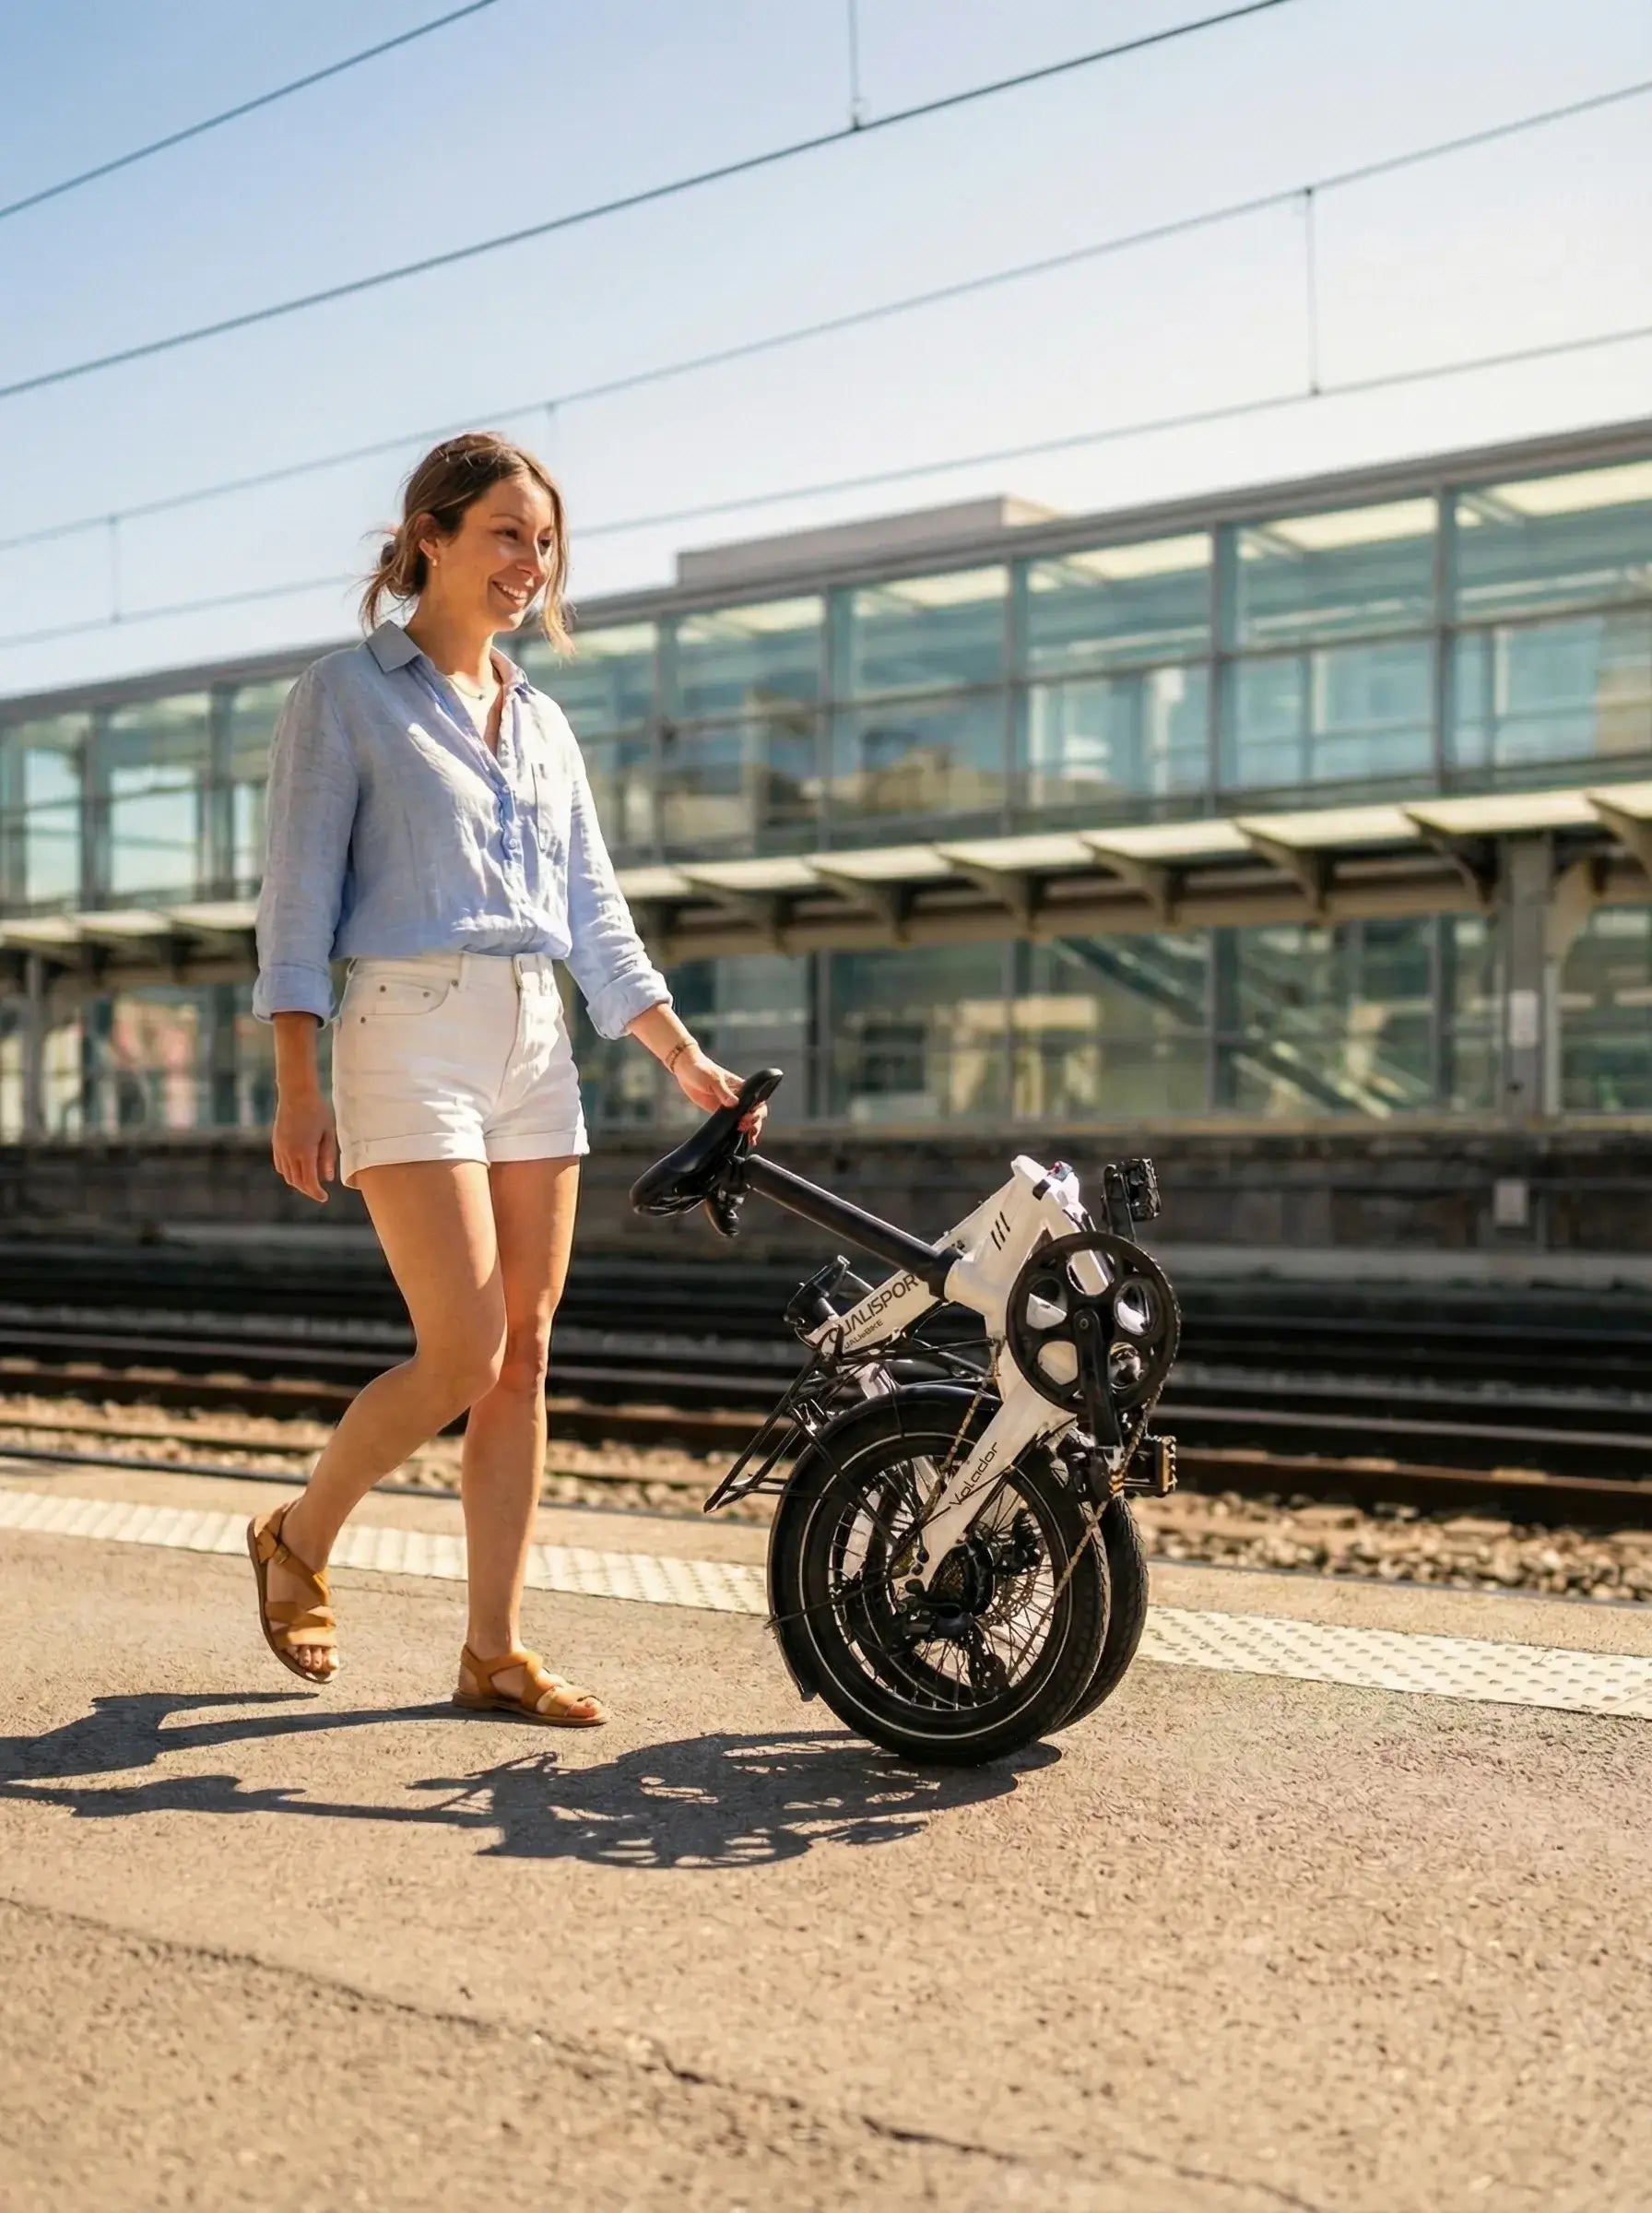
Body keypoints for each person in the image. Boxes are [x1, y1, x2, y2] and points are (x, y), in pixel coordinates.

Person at [245, 431, 763, 1727]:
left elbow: (594, 914)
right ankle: (300, 1538)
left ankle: (491, 1650)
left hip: (537, 1039)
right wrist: (296, 1080)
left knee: (524, 1356)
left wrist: (680, 1054)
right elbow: (297, 899)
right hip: (403, 1028)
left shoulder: (542, 723)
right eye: (506, 535)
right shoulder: (347, 696)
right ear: (431, 533)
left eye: (545, 542)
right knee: (463, 1348)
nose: (531, 562)